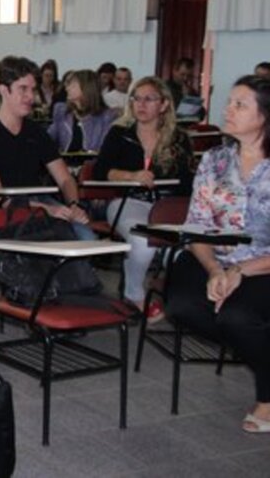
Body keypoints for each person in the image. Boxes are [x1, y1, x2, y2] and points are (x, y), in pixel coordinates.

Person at [163, 75, 270, 434]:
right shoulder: (214, 160)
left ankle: (268, 397)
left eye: (240, 104)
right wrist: (212, 269)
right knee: (181, 305)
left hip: (263, 265)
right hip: (214, 256)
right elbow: (197, 224)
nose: (228, 110)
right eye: (229, 102)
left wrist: (240, 270)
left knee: (236, 317)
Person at [93, 77, 193, 316]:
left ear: (164, 105)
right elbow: (100, 171)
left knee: (184, 251)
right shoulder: (119, 133)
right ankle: (134, 294)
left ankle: (174, 294)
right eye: (137, 98)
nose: (141, 104)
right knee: (143, 240)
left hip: (168, 206)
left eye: (149, 99)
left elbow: (188, 183)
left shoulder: (179, 139)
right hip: (128, 201)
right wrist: (130, 176)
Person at [0, 56, 95, 239]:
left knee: (86, 238)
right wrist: (46, 209)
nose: (31, 96)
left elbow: (65, 179)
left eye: (33, 89)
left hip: (39, 202)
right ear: (4, 90)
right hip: (2, 209)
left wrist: (74, 204)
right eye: (23, 89)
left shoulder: (36, 132)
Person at [48, 69, 118, 153]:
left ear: (87, 88)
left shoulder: (107, 117)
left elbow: (105, 150)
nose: (67, 88)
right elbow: (47, 140)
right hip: (65, 164)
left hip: (94, 164)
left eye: (72, 85)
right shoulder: (62, 112)